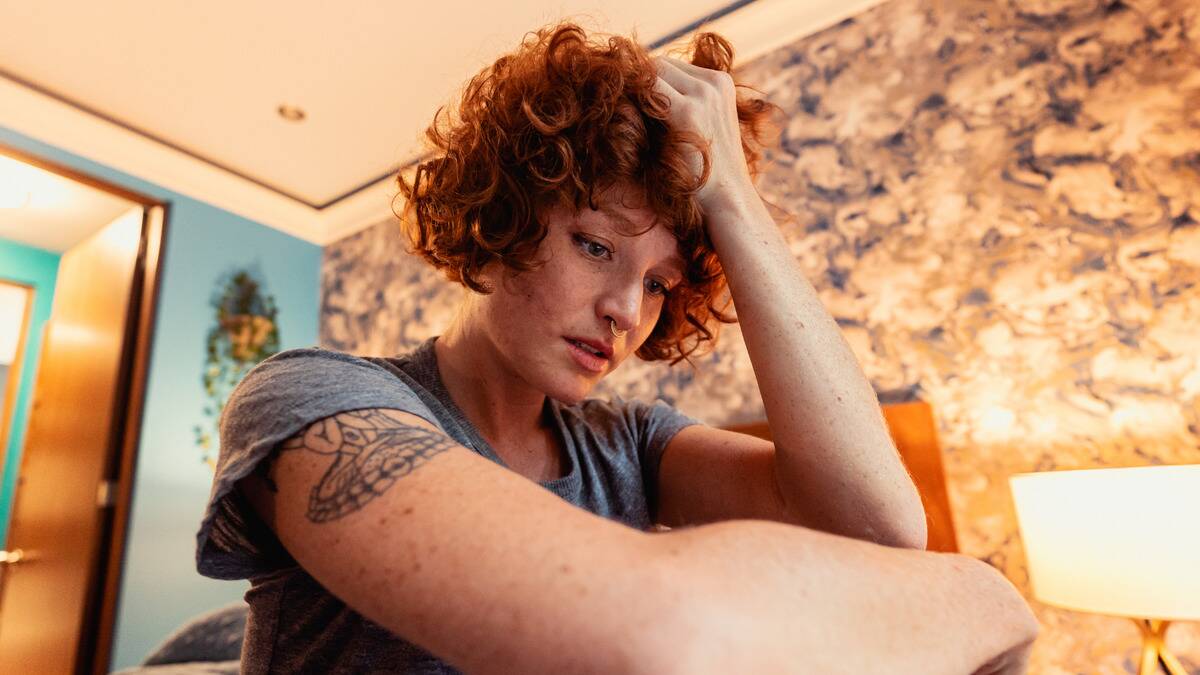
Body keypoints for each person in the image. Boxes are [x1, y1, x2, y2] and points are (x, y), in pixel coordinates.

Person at [196, 21, 1038, 674]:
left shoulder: (630, 442)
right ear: (497, 225)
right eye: (597, 246)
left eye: (662, 281)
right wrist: (983, 589)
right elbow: (656, 630)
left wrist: (734, 204)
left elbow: (880, 529)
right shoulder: (310, 399)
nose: (626, 310)